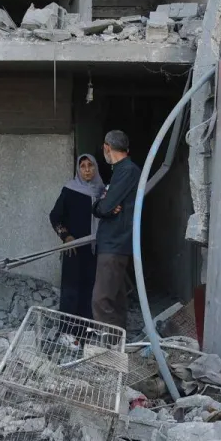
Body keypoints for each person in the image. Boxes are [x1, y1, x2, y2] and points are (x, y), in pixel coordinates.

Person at [90, 130, 141, 331]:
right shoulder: (122, 170)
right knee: (116, 299)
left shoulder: (126, 170)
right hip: (116, 242)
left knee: (101, 300)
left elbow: (104, 207)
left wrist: (101, 206)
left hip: (114, 243)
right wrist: (103, 206)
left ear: (107, 147)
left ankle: (108, 351)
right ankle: (118, 346)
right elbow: (105, 206)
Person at [49, 154, 103, 317]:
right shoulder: (70, 190)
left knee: (92, 289)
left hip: (95, 249)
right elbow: (55, 216)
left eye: (90, 165)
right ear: (78, 169)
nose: (87, 170)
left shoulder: (102, 192)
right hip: (74, 249)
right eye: (83, 166)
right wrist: (66, 237)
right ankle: (68, 331)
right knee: (71, 291)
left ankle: (86, 330)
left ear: (96, 168)